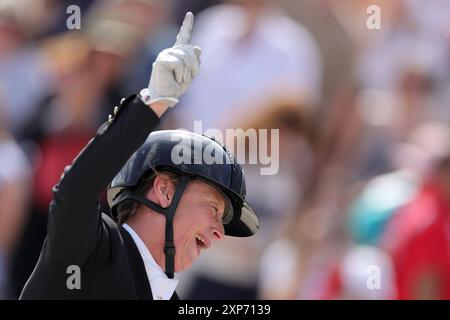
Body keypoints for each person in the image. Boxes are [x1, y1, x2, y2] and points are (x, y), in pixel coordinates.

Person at [19, 12, 259, 300]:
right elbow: (75, 193)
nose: (220, 232)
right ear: (164, 190)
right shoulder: (94, 249)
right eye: (214, 209)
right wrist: (154, 102)